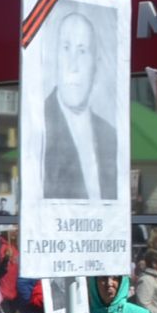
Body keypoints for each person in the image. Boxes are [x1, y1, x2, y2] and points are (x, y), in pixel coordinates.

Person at [40, 11, 117, 201]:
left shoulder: (110, 135)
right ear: (55, 57)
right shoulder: (38, 124)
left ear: (96, 66)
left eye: (82, 51)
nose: (72, 65)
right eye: (66, 48)